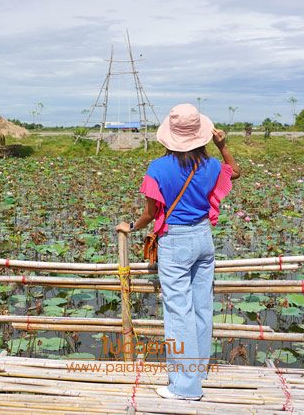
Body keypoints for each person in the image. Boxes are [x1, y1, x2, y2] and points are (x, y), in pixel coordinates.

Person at [116, 103, 240, 401]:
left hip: (176, 241)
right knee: (201, 307)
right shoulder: (210, 164)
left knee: (178, 312)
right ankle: (197, 372)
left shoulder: (158, 168)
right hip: (203, 239)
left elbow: (150, 213)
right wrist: (222, 146)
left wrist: (130, 226)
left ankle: (185, 387)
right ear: (201, 135)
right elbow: (235, 172)